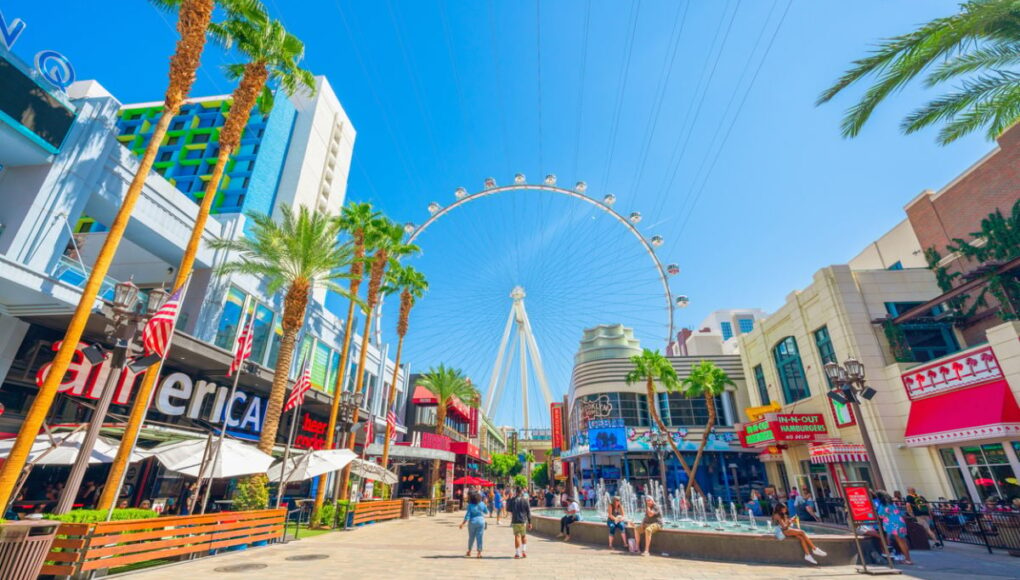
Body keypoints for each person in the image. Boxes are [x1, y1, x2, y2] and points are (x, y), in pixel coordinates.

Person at [874, 490, 912, 565]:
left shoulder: (883, 505)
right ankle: (907, 558)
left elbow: (881, 515)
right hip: (899, 520)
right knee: (902, 541)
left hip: (892, 523)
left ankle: (908, 559)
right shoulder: (892, 503)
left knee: (900, 541)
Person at [459, 490, 489, 558]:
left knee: (471, 537)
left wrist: (463, 524)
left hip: (472, 522)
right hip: (481, 522)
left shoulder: (470, 505)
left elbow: (467, 515)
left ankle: (469, 551)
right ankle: (479, 553)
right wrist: (485, 504)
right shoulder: (482, 503)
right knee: (480, 537)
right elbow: (486, 512)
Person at [507, 487, 532, 559]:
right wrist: (530, 522)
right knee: (523, 535)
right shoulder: (525, 500)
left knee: (517, 536)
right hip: (523, 521)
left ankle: (517, 553)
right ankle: (524, 551)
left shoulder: (513, 500)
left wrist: (510, 499)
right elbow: (528, 512)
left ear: (516, 492)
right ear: (521, 492)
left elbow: (508, 509)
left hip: (515, 520)